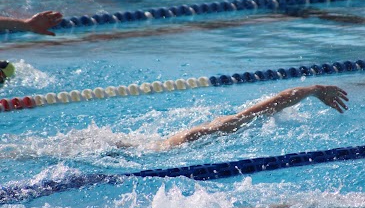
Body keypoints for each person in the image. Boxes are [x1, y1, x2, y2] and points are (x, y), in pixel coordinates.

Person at [117, 84, 349, 151]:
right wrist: (314, 90)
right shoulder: (200, 135)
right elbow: (276, 102)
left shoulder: (189, 138)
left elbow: (272, 106)